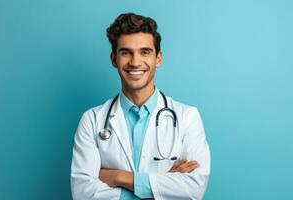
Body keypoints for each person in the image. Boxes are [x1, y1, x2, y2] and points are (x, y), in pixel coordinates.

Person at [71, 13, 210, 200]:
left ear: (158, 58)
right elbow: (82, 192)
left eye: (145, 52)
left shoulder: (187, 117)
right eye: (126, 52)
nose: (135, 62)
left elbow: (193, 189)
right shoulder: (92, 119)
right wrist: (162, 186)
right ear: (114, 59)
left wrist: (118, 177)